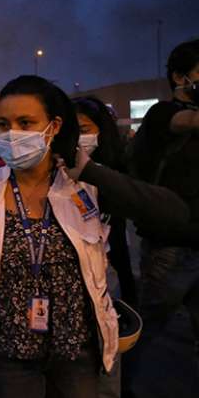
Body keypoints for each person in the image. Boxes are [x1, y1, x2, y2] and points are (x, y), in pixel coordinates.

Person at [0, 75, 191, 398]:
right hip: (9, 354)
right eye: (4, 124)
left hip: (76, 351)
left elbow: (174, 214)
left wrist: (89, 171)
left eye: (25, 122)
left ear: (54, 126)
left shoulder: (86, 186)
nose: (12, 133)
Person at [127, 37, 199, 398]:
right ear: (180, 77)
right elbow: (193, 120)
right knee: (142, 332)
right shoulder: (162, 115)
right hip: (171, 251)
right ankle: (114, 392)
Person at [73, 96, 136, 305]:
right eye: (72, 131)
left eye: (83, 130)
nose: (77, 138)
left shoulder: (115, 167)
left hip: (111, 245)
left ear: (102, 130)